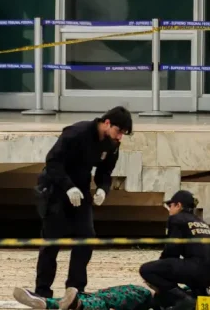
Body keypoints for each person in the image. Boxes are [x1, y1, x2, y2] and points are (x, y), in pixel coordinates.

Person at [29, 106, 133, 298]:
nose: (120, 137)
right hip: (55, 188)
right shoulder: (77, 133)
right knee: (52, 241)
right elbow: (52, 162)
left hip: (81, 190)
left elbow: (105, 171)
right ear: (107, 123)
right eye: (119, 131)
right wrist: (68, 186)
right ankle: (42, 291)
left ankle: (75, 289)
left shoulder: (112, 144)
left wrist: (103, 188)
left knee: (86, 237)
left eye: (124, 134)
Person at [139, 190, 210, 310]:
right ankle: (202, 295)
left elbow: (172, 249)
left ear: (178, 205)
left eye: (170, 205)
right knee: (190, 267)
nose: (169, 209)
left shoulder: (176, 219)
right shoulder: (200, 221)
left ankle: (183, 298)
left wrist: (159, 270)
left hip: (198, 269)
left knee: (147, 270)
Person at [13, 285, 153, 310]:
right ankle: (45, 302)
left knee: (104, 300)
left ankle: (76, 303)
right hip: (144, 297)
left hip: (146, 298)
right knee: (99, 297)